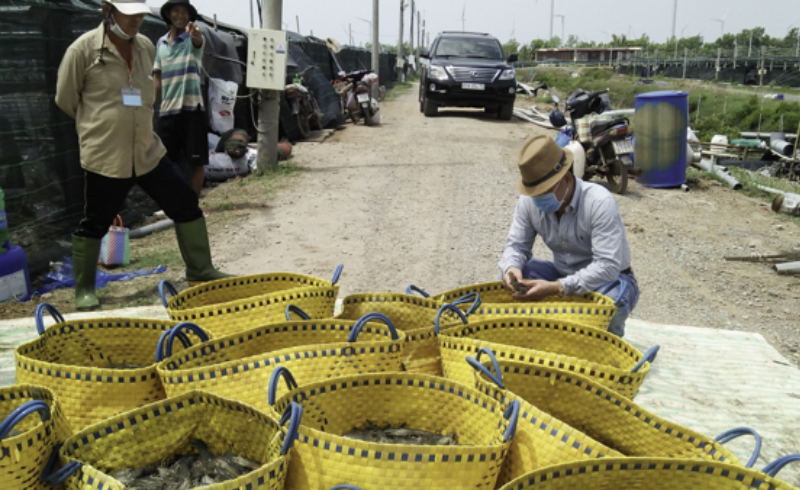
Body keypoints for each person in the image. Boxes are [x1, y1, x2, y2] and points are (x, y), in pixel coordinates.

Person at [55, 0, 231, 310]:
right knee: (95, 221)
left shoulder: (146, 46)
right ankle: (84, 290)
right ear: (108, 11)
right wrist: (102, 126)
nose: (136, 19)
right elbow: (66, 99)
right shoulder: (82, 51)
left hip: (147, 150)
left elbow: (148, 91)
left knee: (185, 203)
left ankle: (201, 271)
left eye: (139, 14)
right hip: (107, 155)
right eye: (129, 13)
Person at [498, 134, 639, 337]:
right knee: (509, 282)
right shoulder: (528, 202)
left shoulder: (598, 202)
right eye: (533, 192)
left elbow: (607, 267)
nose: (537, 199)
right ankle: (527, 340)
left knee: (609, 307)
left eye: (543, 191)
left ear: (565, 179)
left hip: (607, 280)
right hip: (561, 274)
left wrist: (557, 287)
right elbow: (516, 246)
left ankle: (604, 356)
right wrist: (511, 269)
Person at [153, 0, 207, 196]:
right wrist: (150, 104)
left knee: (196, 160)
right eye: (175, 11)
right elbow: (157, 79)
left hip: (192, 109)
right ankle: (172, 201)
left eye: (184, 11)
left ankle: (193, 202)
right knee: (165, 161)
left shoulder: (193, 39)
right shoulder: (161, 43)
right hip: (167, 111)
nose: (180, 15)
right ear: (168, 14)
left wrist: (196, 36)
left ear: (189, 16)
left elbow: (198, 42)